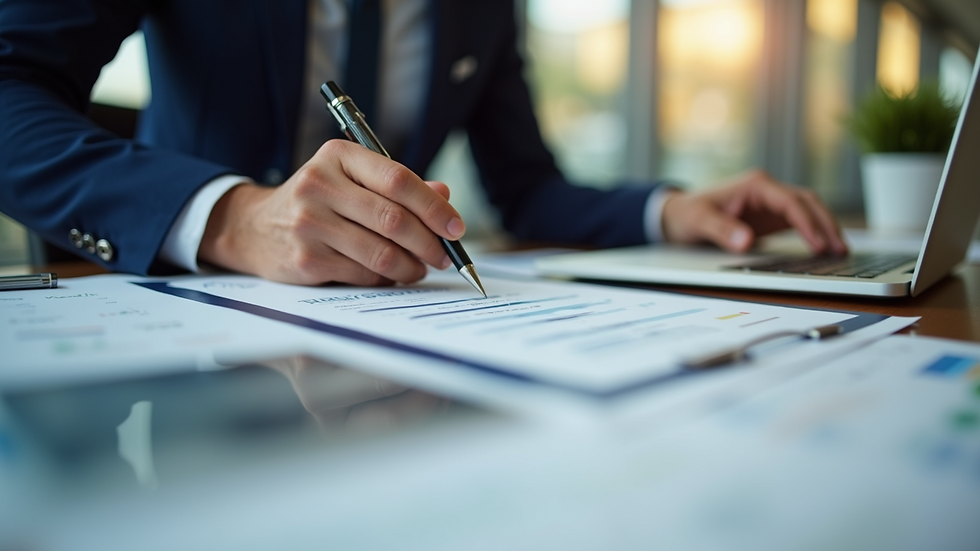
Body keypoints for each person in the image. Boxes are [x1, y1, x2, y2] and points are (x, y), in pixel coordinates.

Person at [0, 0, 847, 288]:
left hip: (396, 348)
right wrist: (228, 218)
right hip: (185, 354)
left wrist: (669, 208)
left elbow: (525, 187)